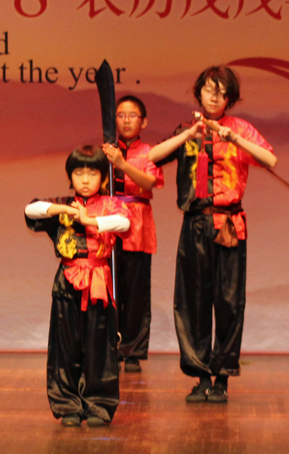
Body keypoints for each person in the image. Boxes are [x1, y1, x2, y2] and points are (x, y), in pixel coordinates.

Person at [148, 65, 277, 403]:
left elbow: (270, 160)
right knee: (193, 301)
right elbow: (152, 157)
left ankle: (222, 378)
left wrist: (235, 139)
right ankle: (200, 375)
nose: (214, 96)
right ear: (199, 92)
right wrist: (186, 136)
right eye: (209, 89)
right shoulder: (187, 128)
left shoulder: (240, 128)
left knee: (230, 302)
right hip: (195, 223)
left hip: (230, 225)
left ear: (230, 97)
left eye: (221, 91)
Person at [24, 145, 131, 427]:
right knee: (65, 347)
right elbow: (31, 209)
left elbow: (123, 223)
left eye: (92, 173)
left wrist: (88, 219)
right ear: (70, 177)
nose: (85, 179)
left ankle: (98, 406)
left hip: (98, 283)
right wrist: (63, 210)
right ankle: (68, 405)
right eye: (78, 172)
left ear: (103, 178)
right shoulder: (61, 204)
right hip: (66, 281)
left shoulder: (111, 205)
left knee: (99, 348)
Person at [102, 95, 164, 373]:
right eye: (121, 115)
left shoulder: (150, 152)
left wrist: (123, 164)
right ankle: (108, 346)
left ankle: (133, 351)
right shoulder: (105, 151)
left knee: (137, 292)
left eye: (132, 115)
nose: (126, 120)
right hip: (109, 225)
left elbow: (150, 182)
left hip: (138, 225)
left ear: (144, 121)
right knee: (109, 290)